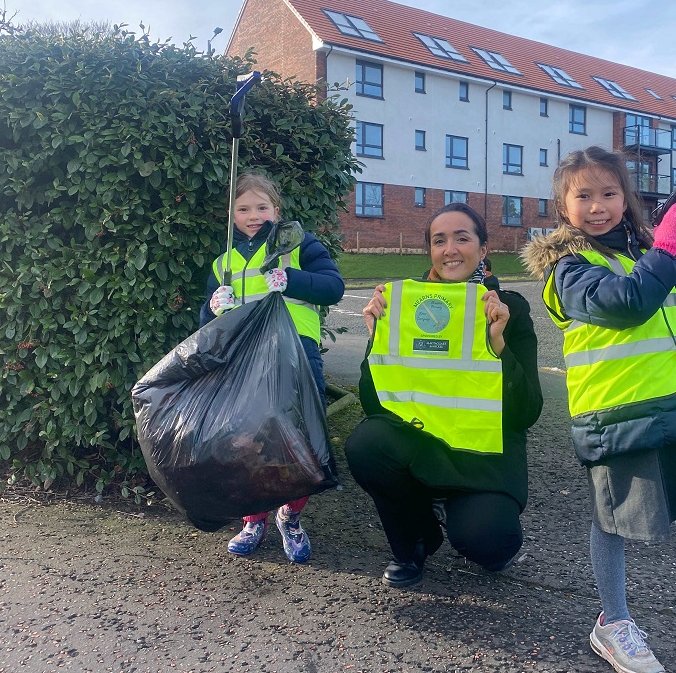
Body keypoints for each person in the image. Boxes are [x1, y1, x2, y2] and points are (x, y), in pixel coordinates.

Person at [522, 146, 676, 673]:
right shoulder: (566, 269)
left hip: (670, 402)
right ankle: (612, 621)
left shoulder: (643, 252)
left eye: (609, 193)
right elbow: (625, 304)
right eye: (583, 196)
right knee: (611, 521)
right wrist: (666, 247)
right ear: (563, 206)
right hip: (612, 415)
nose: (598, 206)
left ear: (626, 199)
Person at [346, 203, 543, 588]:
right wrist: (376, 341)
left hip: (484, 458)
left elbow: (527, 411)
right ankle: (416, 540)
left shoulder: (511, 311)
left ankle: (469, 520)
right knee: (366, 443)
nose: (450, 249)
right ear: (431, 251)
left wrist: (499, 345)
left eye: (462, 238)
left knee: (487, 541)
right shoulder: (401, 309)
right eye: (439, 241)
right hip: (423, 447)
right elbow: (375, 405)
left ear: (483, 249)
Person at [201, 170, 344, 562]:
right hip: (244, 366)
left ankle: (290, 516)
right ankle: (253, 518)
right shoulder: (223, 264)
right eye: (244, 208)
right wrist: (214, 306)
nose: (253, 215)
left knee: (297, 441)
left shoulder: (300, 246)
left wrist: (293, 279)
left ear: (276, 211)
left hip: (296, 355)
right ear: (233, 215)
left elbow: (333, 287)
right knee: (246, 441)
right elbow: (207, 326)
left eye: (261, 207)